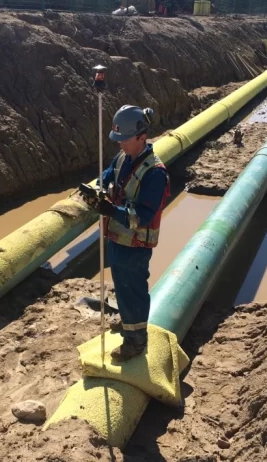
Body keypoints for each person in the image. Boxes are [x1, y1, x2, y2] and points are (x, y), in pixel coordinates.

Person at [84, 105, 170, 362]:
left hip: (135, 245)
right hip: (117, 239)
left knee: (132, 290)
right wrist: (98, 189)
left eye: (124, 139)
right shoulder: (123, 157)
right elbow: (107, 176)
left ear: (141, 137)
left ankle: (136, 342)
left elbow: (144, 216)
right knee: (121, 288)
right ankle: (128, 324)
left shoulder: (155, 173)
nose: (120, 144)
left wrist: (112, 211)